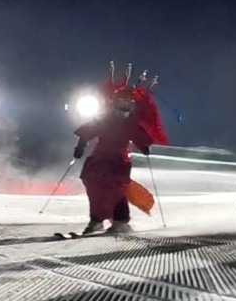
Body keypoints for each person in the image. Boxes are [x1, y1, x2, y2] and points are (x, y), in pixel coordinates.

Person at [72, 63, 169, 235]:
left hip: (118, 160)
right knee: (94, 185)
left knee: (115, 188)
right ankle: (96, 220)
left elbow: (140, 137)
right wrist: (80, 146)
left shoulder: (130, 124)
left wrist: (144, 146)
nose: (123, 111)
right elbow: (88, 131)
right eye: (120, 106)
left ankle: (121, 221)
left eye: (127, 108)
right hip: (99, 158)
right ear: (114, 105)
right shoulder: (105, 120)